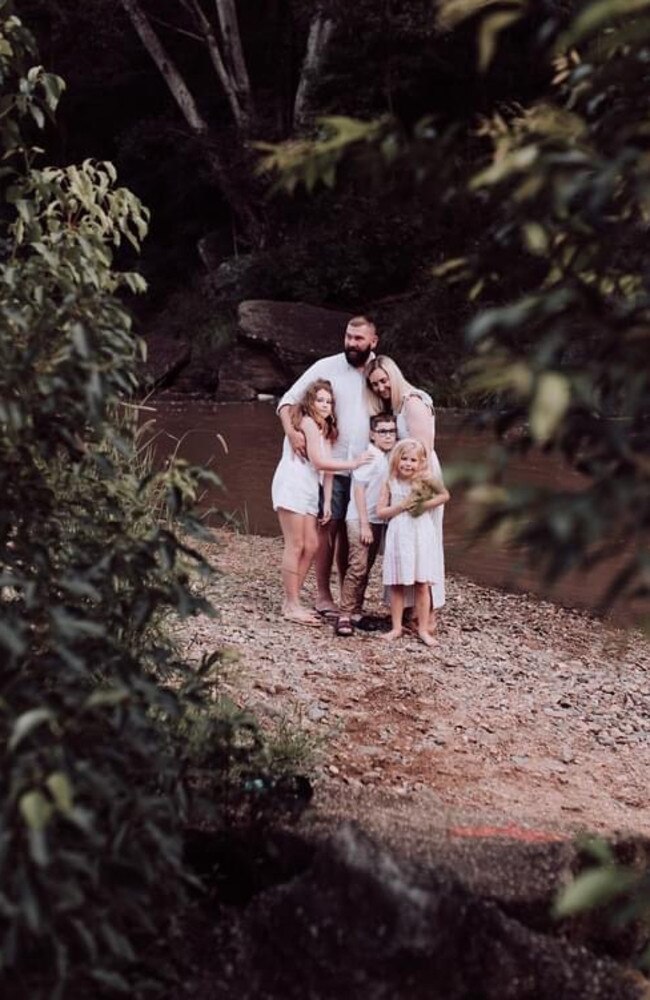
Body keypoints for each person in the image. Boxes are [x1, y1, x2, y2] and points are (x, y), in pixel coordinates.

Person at [277, 316, 378, 619]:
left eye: (359, 339)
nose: (351, 343)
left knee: (354, 532)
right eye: (348, 337)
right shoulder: (326, 366)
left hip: (362, 469)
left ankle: (350, 599)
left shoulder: (380, 370)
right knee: (324, 530)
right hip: (322, 467)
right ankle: (322, 595)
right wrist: (291, 432)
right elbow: (287, 402)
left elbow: (400, 396)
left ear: (373, 341)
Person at [271, 379, 370, 626]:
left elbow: (326, 473)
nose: (325, 405)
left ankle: (291, 600)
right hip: (292, 483)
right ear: (310, 402)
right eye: (320, 400)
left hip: (308, 489)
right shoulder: (305, 422)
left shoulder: (325, 429)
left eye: (329, 401)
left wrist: (326, 502)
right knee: (296, 544)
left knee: (313, 544)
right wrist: (354, 463)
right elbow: (319, 462)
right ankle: (292, 604)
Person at [365, 354, 446, 617]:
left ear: (393, 374)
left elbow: (424, 448)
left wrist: (417, 494)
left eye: (382, 381)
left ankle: (428, 612)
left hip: (420, 476)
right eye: (374, 385)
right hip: (403, 476)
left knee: (425, 541)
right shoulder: (399, 405)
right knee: (407, 541)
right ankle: (411, 611)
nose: (380, 388)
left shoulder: (413, 402)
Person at [376, 439, 449, 646]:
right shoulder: (390, 480)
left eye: (412, 460)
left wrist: (424, 505)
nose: (407, 464)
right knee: (398, 583)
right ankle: (396, 627)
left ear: (421, 462)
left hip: (420, 531)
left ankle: (424, 629)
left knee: (421, 583)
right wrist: (402, 506)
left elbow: (444, 495)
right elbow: (381, 512)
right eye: (404, 459)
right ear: (396, 460)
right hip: (399, 533)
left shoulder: (425, 479)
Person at [334, 413, 397, 637]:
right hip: (360, 518)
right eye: (383, 432)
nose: (388, 436)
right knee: (358, 566)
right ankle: (344, 614)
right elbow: (358, 490)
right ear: (373, 434)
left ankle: (356, 611)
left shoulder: (386, 457)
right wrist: (364, 524)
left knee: (366, 568)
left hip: (377, 519)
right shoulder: (370, 456)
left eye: (392, 431)